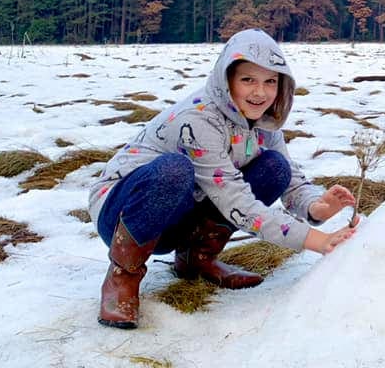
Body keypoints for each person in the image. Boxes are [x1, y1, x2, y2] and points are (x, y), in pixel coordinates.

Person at [88, 28, 358, 329]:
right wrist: (318, 242)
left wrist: (315, 208)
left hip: (181, 211)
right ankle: (122, 276)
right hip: (122, 214)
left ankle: (196, 257)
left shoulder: (264, 122)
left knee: (275, 167)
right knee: (174, 170)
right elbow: (235, 199)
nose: (260, 93)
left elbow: (291, 178)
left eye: (270, 81)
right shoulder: (200, 120)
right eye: (248, 80)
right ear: (225, 80)